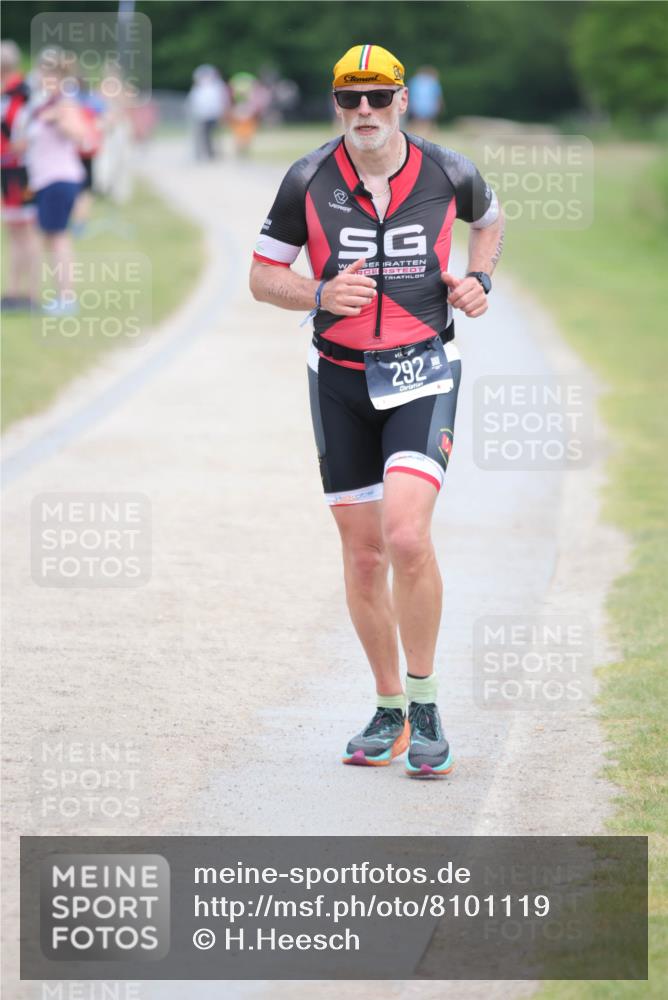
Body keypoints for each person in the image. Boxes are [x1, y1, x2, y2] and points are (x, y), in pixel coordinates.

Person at [249, 44, 504, 777]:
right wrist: (319, 294)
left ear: (402, 101)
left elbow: (491, 221)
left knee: (406, 537)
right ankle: (388, 708)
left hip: (423, 368)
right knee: (363, 555)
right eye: (349, 97)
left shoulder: (451, 170)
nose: (363, 110)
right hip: (338, 377)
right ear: (336, 103)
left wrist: (480, 279)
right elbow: (263, 276)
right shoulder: (308, 177)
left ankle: (426, 705)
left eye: (376, 96)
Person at [13, 47, 96, 314]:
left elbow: (81, 135)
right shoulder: (43, 104)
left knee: (57, 238)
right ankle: (60, 297)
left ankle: (66, 299)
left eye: (45, 72)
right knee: (51, 239)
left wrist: (59, 120)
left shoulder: (63, 103)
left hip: (58, 179)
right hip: (45, 180)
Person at [1, 39, 39, 311]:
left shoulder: (25, 93)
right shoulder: (5, 94)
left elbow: (30, 134)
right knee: (14, 230)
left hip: (22, 169)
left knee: (27, 230)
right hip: (6, 169)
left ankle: (32, 293)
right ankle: (13, 292)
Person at [187, 64, 228, 161]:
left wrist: (223, 112)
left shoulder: (217, 86)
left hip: (214, 115)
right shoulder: (198, 88)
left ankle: (213, 154)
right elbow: (194, 102)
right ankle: (202, 154)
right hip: (202, 116)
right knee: (202, 136)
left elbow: (221, 100)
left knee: (214, 136)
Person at [407, 64, 444, 138]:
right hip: (428, 105)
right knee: (427, 121)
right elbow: (437, 95)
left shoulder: (414, 81)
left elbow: (409, 93)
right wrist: (439, 105)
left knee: (417, 120)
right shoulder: (432, 82)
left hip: (417, 104)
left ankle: (413, 135)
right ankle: (428, 135)